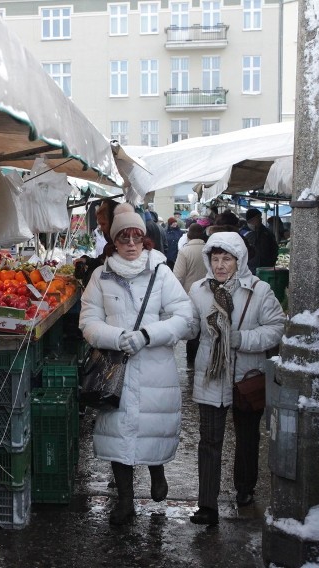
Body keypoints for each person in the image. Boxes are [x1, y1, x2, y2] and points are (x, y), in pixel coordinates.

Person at [79, 203, 193, 525]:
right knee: (119, 432)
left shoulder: (161, 273)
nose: (130, 244)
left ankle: (157, 472)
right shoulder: (101, 277)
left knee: (152, 425)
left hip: (155, 365)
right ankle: (125, 500)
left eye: (136, 237)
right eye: (124, 237)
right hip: (116, 369)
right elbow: (88, 322)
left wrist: (148, 335)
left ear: (145, 240)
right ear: (113, 242)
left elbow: (184, 316)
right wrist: (117, 337)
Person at [187, 231, 284, 526]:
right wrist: (178, 325)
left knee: (247, 438)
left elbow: (276, 327)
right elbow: (191, 326)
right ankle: (207, 504)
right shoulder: (198, 290)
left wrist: (240, 338)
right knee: (209, 440)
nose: (220, 265)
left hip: (247, 375)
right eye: (215, 259)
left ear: (238, 259)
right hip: (211, 374)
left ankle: (245, 489)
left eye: (226, 258)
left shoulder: (259, 290)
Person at [173, 223, 208, 364]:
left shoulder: (184, 251)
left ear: (188, 236)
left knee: (193, 331)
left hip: (190, 296)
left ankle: (191, 362)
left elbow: (178, 277)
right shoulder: (209, 250)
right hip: (209, 294)